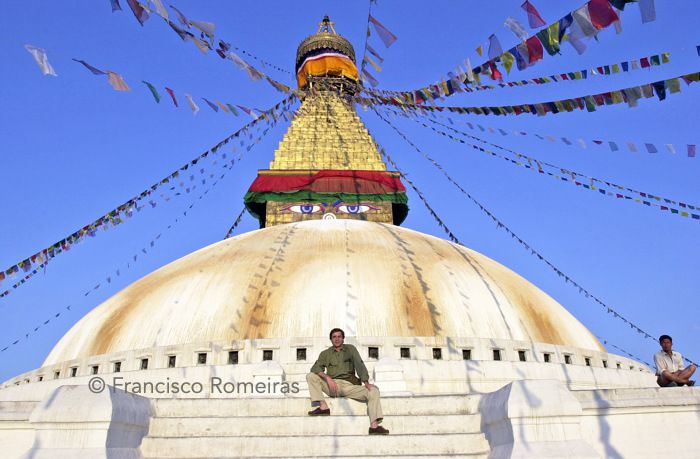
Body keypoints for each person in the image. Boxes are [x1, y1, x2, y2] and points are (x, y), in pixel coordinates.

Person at [306, 328, 389, 435]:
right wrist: (327, 378)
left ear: (343, 338)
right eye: (334, 337)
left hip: (349, 386)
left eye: (339, 336)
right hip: (332, 386)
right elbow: (315, 368)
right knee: (311, 376)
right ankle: (323, 407)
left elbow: (359, 364)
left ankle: (374, 427)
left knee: (373, 391)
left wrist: (366, 383)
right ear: (331, 339)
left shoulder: (350, 349)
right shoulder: (325, 353)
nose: (337, 339)